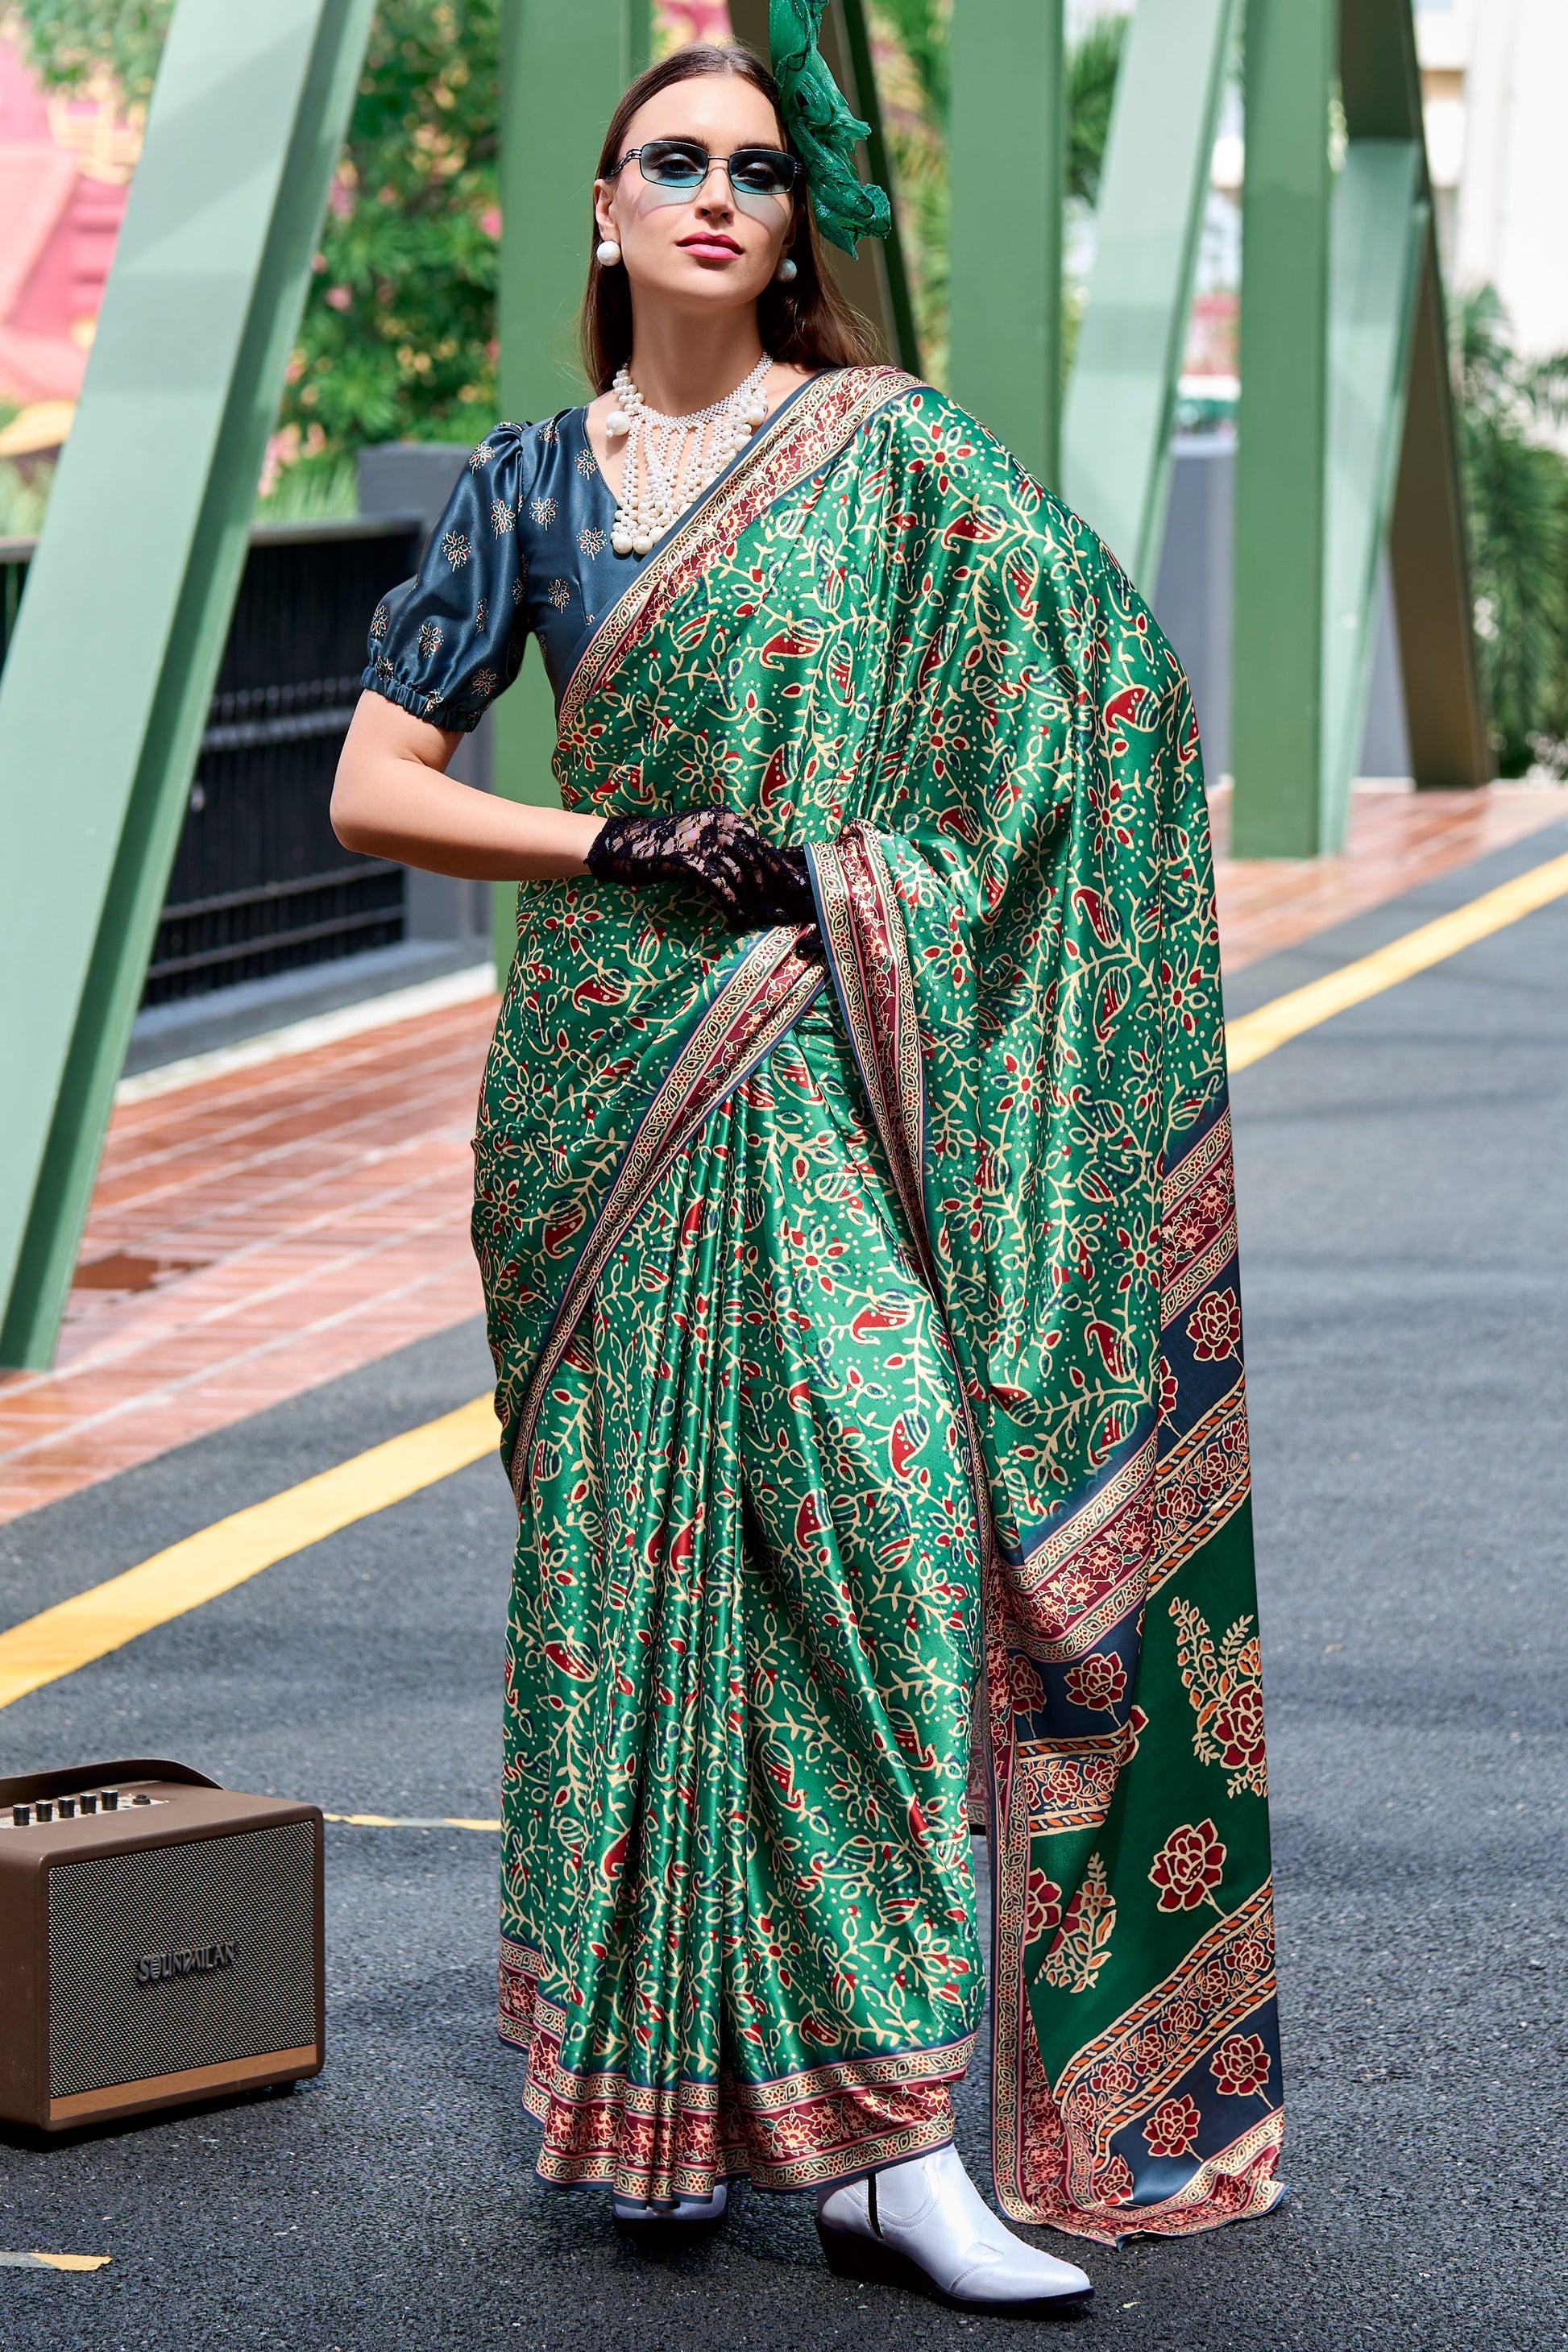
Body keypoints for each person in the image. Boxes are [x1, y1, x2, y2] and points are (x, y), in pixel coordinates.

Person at [333, 9, 1283, 2315]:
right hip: (603, 1098)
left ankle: (890, 2146)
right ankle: (655, 2109)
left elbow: (1097, 694)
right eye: (672, 158)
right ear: (600, 208)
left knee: (871, 1540)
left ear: (791, 232)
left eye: (755, 170)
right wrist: (621, 838)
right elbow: (379, 784)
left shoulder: (896, 457)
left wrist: (910, 872)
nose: (712, 196)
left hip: (825, 1073)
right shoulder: (528, 487)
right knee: (628, 1595)